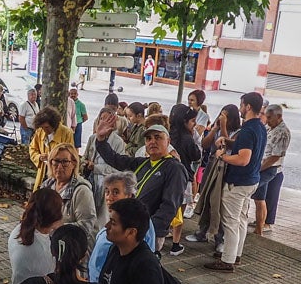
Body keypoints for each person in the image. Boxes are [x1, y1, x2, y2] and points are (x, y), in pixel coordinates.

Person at [93, 122, 189, 252]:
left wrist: (149, 230)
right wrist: (101, 140)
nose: (152, 142)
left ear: (168, 141)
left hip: (147, 232)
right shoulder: (143, 163)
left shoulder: (174, 168)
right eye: (149, 139)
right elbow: (116, 160)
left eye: (157, 137)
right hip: (131, 227)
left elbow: (170, 205)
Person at [204, 92, 266, 272]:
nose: (240, 108)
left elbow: (243, 158)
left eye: (242, 105)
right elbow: (247, 149)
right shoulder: (259, 127)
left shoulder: (247, 130)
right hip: (251, 180)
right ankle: (235, 254)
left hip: (238, 182)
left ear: (247, 107)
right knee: (241, 220)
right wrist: (229, 142)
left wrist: (222, 155)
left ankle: (227, 260)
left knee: (230, 221)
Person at [187, 103, 240, 249]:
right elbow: (204, 144)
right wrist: (215, 128)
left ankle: (219, 238)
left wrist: (223, 127)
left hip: (224, 168)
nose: (223, 119)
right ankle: (202, 231)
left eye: (226, 117)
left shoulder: (238, 132)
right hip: (211, 164)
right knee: (206, 198)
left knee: (218, 202)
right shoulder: (217, 128)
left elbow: (228, 145)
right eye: (222, 115)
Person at [88, 173, 153, 282]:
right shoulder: (110, 217)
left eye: (116, 192)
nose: (109, 197)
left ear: (129, 195)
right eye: (107, 191)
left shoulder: (138, 221)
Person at [166, 103, 201, 255]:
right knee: (179, 212)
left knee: (167, 208)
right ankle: (175, 243)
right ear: (185, 122)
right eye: (193, 121)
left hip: (167, 177)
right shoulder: (188, 138)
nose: (194, 124)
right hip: (184, 178)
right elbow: (196, 156)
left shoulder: (168, 135)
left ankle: (164, 232)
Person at [251, 104, 290, 237]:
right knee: (259, 197)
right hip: (261, 165)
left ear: (279, 117)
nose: (267, 120)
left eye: (270, 118)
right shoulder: (268, 127)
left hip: (271, 169)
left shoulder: (282, 132)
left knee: (265, 196)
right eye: (266, 117)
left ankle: (263, 225)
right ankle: (259, 224)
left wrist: (258, 168)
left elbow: (274, 157)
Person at [42, 143, 96, 232]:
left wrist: (56, 228)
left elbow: (87, 224)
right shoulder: (47, 185)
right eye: (56, 161)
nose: (59, 167)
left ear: (74, 163)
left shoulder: (81, 191)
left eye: (65, 162)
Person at [28, 106, 75, 191]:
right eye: (42, 127)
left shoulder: (67, 133)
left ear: (54, 124)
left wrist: (51, 157)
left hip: (58, 173)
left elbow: (70, 155)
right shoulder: (40, 131)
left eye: (46, 127)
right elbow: (32, 148)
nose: (44, 130)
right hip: (43, 172)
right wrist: (39, 157)